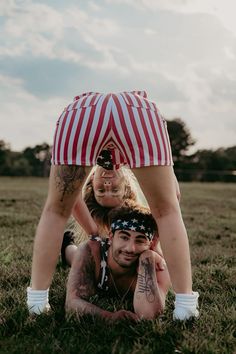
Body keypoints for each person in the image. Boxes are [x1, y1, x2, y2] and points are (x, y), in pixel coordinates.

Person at [27, 90, 199, 320]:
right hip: (137, 112)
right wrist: (155, 240)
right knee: (167, 211)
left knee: (55, 211)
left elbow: (65, 206)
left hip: (82, 113)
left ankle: (36, 303)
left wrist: (93, 232)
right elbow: (172, 200)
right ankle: (186, 308)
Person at [65, 203, 171, 321]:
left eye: (140, 241)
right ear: (111, 237)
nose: (130, 248)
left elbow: (149, 315)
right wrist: (108, 317)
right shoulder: (91, 251)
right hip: (97, 256)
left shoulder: (158, 266)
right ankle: (67, 243)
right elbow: (72, 303)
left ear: (150, 244)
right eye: (124, 237)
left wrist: (147, 257)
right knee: (74, 255)